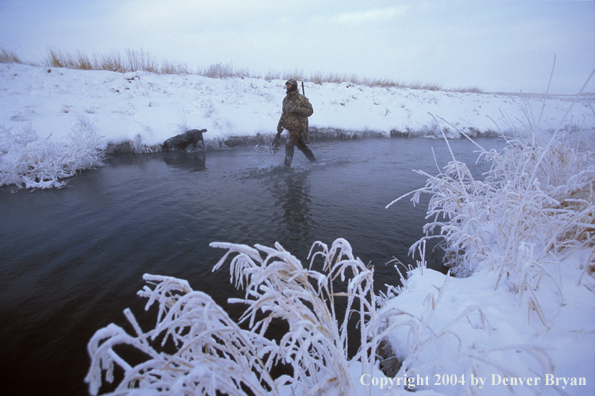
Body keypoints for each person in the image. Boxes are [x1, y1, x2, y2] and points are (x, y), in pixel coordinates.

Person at [273, 79, 316, 167]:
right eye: (287, 85)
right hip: (290, 128)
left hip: (298, 128)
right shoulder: (285, 100)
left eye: (289, 85)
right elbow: (284, 114)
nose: (287, 86)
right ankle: (314, 161)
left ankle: (286, 167)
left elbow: (310, 111)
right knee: (302, 146)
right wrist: (279, 128)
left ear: (294, 86)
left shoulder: (301, 98)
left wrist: (297, 109)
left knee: (289, 145)